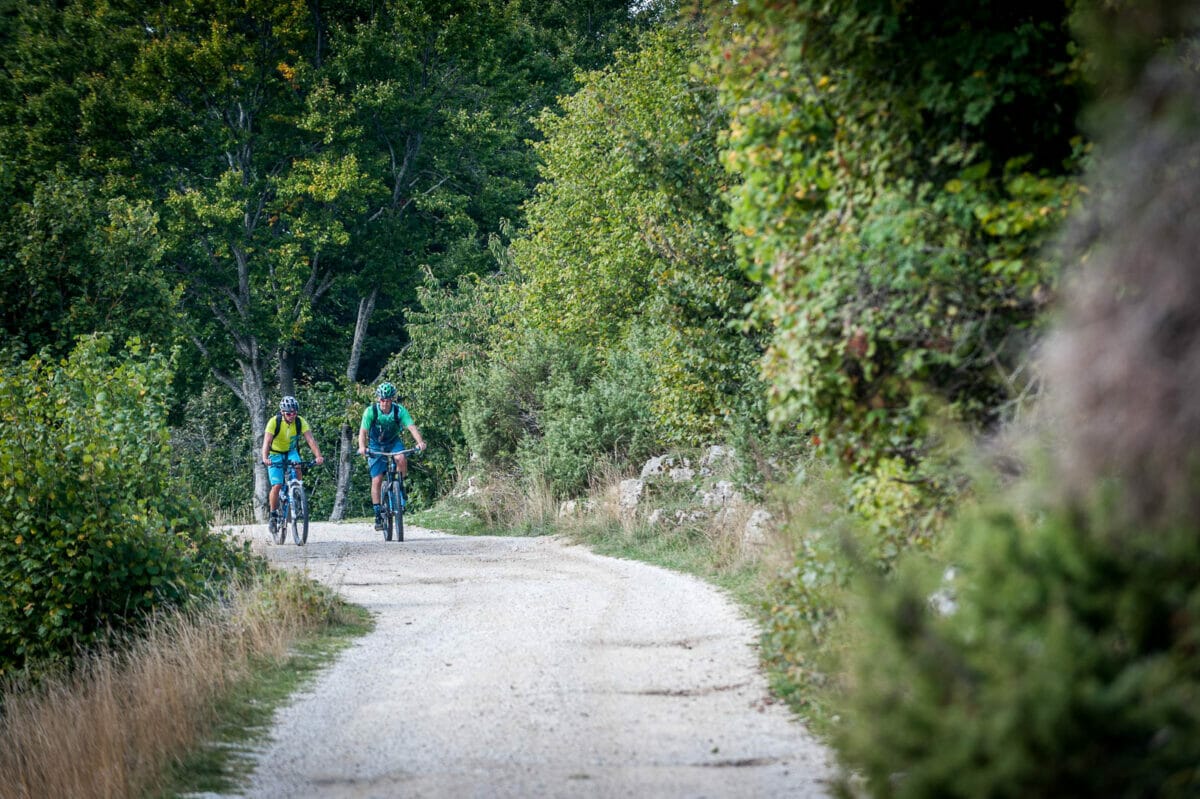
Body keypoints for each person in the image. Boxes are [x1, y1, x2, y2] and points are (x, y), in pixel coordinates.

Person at [358, 382, 426, 529]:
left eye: (388, 400)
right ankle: (377, 514)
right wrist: (362, 447)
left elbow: (411, 427)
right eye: (382, 399)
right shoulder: (371, 412)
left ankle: (399, 487)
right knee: (377, 479)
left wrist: (420, 442)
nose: (385, 403)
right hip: (376, 445)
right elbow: (363, 432)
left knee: (401, 458)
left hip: (393, 442)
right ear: (378, 399)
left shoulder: (399, 411)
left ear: (392, 400)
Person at [261, 395, 324, 526]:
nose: (292, 416)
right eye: (289, 413)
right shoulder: (274, 422)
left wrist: (318, 456)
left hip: (291, 451)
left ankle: (298, 491)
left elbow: (310, 440)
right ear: (283, 412)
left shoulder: (300, 421)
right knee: (277, 485)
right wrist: (265, 458)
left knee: (297, 465)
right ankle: (273, 515)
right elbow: (266, 442)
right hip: (274, 453)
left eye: (294, 413)